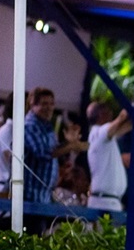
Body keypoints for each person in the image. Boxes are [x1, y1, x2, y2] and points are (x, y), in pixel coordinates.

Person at [22, 88, 86, 232]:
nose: (49, 108)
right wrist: (70, 146)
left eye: (51, 104)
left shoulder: (47, 128)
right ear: (32, 105)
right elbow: (43, 153)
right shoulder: (29, 126)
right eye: (44, 104)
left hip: (43, 198)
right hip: (30, 199)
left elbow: (54, 151)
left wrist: (68, 146)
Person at [85, 101, 132, 211]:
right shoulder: (98, 133)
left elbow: (128, 126)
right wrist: (125, 112)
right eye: (108, 111)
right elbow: (119, 121)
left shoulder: (106, 138)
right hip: (103, 202)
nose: (111, 114)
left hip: (110, 201)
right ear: (101, 114)